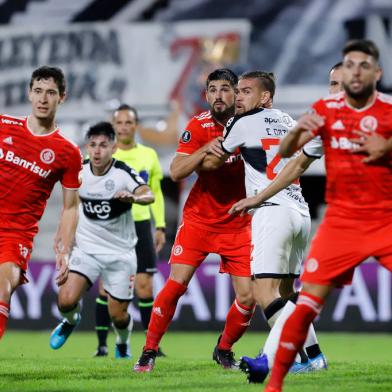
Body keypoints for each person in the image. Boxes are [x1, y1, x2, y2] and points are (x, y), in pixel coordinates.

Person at [264, 39, 392, 392]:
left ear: (376, 73)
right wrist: (296, 129)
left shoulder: (390, 112)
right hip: (341, 224)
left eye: (363, 65)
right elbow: (287, 152)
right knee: (305, 306)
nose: (355, 71)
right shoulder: (326, 109)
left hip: (385, 221)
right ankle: (274, 386)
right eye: (349, 65)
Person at [202, 71, 326, 380]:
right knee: (286, 291)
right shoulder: (287, 120)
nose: (238, 97)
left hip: (271, 211)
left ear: (265, 97)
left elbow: (216, 159)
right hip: (300, 211)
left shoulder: (240, 123)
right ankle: (314, 358)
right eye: (239, 91)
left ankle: (274, 357)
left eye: (245, 91)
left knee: (264, 292)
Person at [134, 68, 255, 372]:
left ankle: (224, 349)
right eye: (212, 89)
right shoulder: (198, 125)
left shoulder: (251, 124)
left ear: (236, 93)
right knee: (177, 284)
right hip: (200, 219)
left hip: (239, 221)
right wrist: (203, 150)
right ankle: (149, 350)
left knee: (248, 295)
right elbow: (175, 171)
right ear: (206, 95)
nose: (218, 95)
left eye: (225, 89)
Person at [49, 122, 154, 358]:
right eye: (93, 145)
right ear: (87, 147)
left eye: (103, 145)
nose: (97, 151)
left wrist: (135, 198)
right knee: (65, 300)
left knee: (118, 316)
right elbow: (70, 206)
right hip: (87, 250)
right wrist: (64, 241)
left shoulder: (123, 172)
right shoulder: (80, 172)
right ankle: (71, 321)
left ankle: (122, 342)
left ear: (113, 148)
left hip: (120, 253)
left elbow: (148, 193)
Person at [0, 66, 82, 340]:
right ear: (29, 94)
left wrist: (64, 250)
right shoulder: (3, 126)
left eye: (50, 93)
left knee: (2, 291)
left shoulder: (67, 153)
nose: (43, 99)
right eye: (38, 91)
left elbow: (70, 207)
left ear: (62, 97)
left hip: (14, 235)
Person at [93, 104, 166, 357]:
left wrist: (160, 225)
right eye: (119, 123)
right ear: (113, 126)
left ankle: (151, 346)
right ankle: (102, 345)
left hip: (142, 224)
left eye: (128, 122)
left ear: (136, 125)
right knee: (106, 287)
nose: (124, 127)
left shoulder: (149, 155)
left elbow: (155, 192)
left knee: (145, 287)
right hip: (113, 226)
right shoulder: (106, 157)